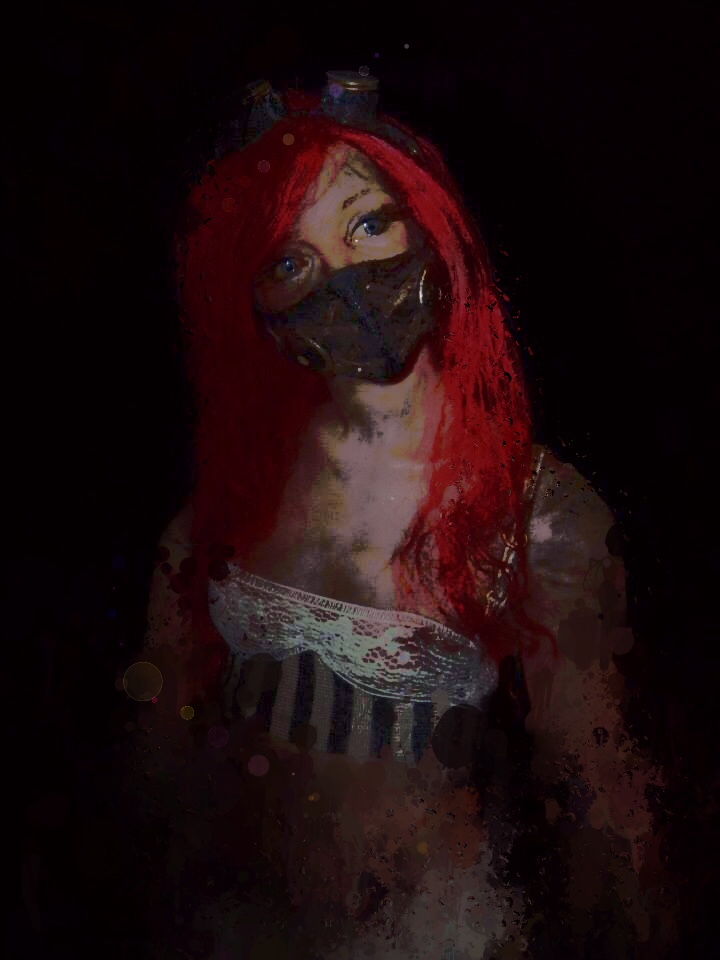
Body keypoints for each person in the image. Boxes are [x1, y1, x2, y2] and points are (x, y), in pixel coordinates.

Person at [136, 72, 658, 959]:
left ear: (430, 226)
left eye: (369, 223)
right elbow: (158, 764)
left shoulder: (536, 513)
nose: (346, 281)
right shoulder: (227, 504)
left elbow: (602, 800)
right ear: (252, 302)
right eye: (290, 262)